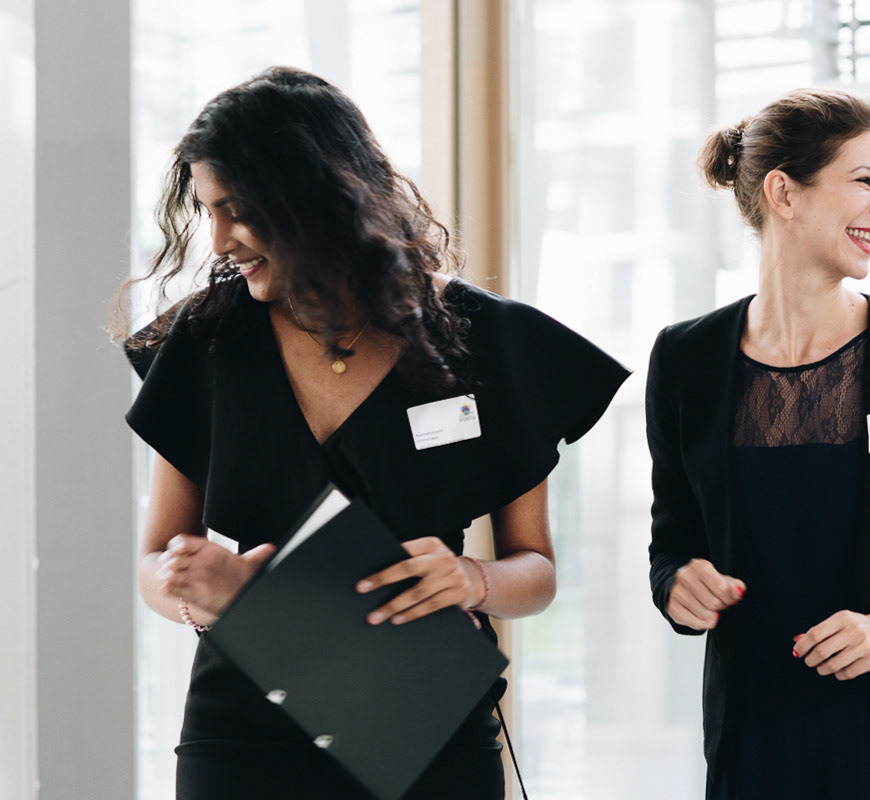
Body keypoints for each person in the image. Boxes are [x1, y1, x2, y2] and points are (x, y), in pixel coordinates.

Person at [116, 66, 629, 800]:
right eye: (207, 212)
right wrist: (210, 597)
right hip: (243, 734)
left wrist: (472, 579)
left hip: (428, 727)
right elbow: (156, 564)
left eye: (237, 210)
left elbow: (537, 572)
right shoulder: (207, 340)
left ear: (315, 192)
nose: (220, 239)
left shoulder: (487, 340)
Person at [645, 88, 870, 798]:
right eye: (866, 180)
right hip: (757, 739)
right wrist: (677, 584)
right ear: (784, 193)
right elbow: (673, 544)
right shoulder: (685, 359)